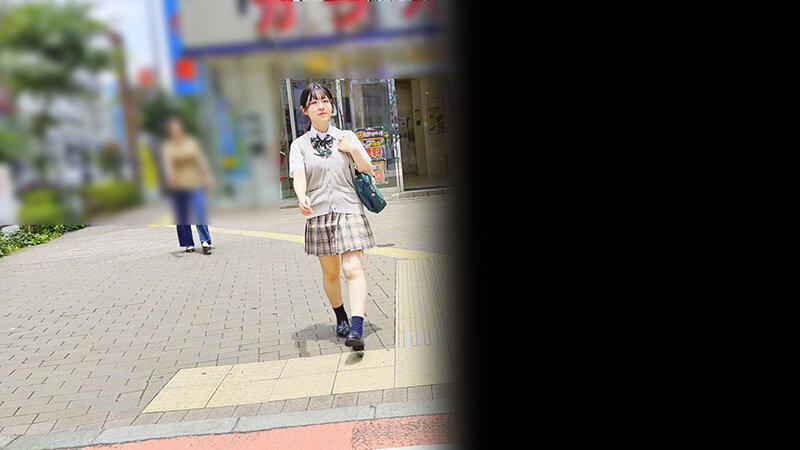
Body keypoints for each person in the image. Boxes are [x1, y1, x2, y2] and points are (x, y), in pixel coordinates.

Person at [288, 83, 376, 350]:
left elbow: (367, 169)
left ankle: (356, 328)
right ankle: (341, 317)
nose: (321, 106)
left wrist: (353, 150)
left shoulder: (346, 137)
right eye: (314, 102)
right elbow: (299, 176)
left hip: (349, 210)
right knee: (330, 273)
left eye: (325, 101)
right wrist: (301, 196)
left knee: (352, 269)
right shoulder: (299, 145)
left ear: (331, 106)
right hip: (319, 214)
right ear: (304, 110)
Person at [161, 116, 215, 254]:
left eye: (177, 129)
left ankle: (204, 240)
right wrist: (170, 176)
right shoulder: (168, 147)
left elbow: (201, 160)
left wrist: (207, 175)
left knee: (199, 209)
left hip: (195, 180)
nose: (175, 132)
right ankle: (188, 243)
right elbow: (167, 164)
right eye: (172, 130)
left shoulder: (192, 143)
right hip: (178, 183)